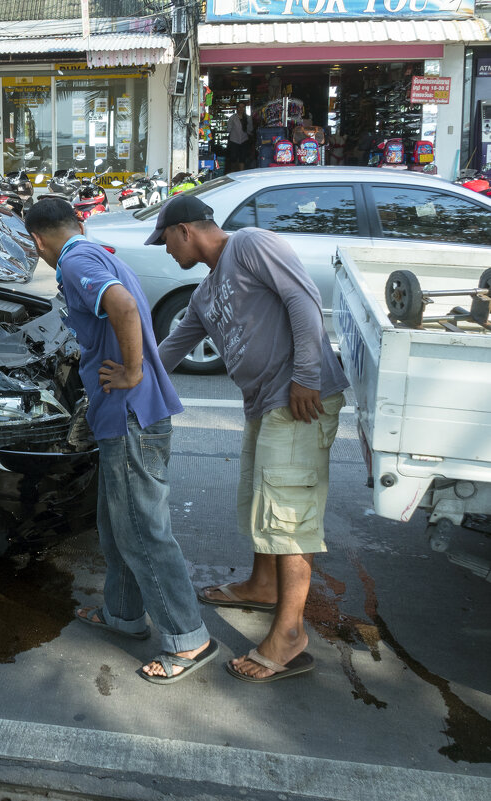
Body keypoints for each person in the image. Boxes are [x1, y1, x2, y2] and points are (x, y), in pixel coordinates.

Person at [149, 195, 348, 684]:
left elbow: (302, 300)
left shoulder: (251, 245)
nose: (167, 252)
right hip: (265, 404)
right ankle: (263, 586)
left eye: (166, 242)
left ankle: (289, 638)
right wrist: (131, 375)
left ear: (184, 231)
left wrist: (305, 376)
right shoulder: (204, 293)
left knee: (289, 516)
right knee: (262, 501)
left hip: (299, 398)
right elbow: (171, 349)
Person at [22, 197, 218, 684]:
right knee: (117, 523)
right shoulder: (97, 251)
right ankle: (125, 614)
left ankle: (188, 638)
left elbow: (125, 307)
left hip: (132, 415)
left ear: (37, 240)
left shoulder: (75, 261)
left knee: (144, 530)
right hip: (124, 415)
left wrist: (131, 371)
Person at [226, 101, 253, 173]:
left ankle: (241, 173)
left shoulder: (248, 118)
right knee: (233, 158)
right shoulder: (232, 118)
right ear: (236, 108)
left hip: (244, 140)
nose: (241, 109)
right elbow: (228, 129)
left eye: (243, 107)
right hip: (234, 140)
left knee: (242, 158)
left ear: (245, 108)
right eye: (239, 107)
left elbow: (250, 129)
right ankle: (232, 173)